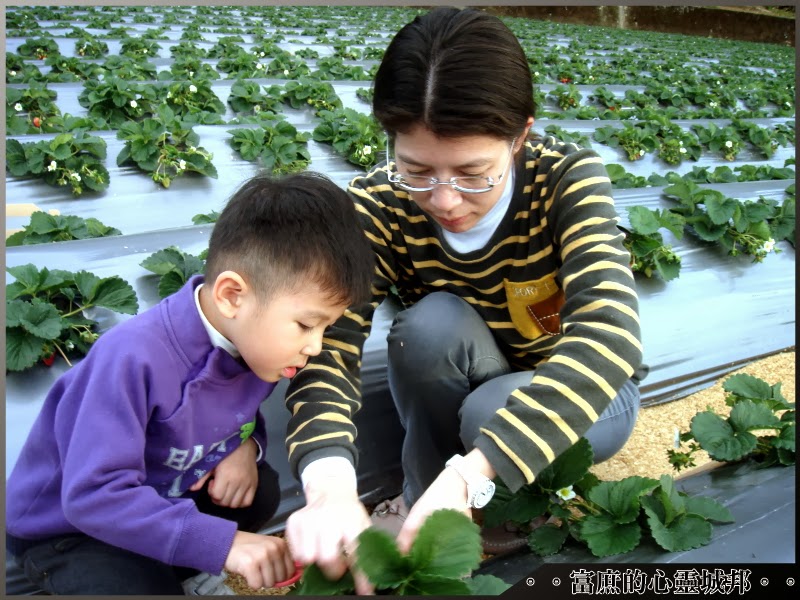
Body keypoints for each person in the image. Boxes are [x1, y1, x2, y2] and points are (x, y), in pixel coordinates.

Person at [284, 5, 648, 592]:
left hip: (590, 392)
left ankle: (501, 509)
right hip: (478, 367)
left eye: (474, 173)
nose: (445, 199)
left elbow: (610, 335)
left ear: (520, 135)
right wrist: (327, 486)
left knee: (490, 414)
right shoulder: (377, 205)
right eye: (417, 170)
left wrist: (468, 479)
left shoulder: (565, 181)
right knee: (427, 327)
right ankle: (422, 498)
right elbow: (329, 340)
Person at [5, 171, 375, 595]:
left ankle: (178, 563)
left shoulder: (253, 339)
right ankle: (167, 569)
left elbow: (232, 408)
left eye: (326, 328)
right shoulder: (131, 359)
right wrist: (226, 545)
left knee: (260, 491)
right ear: (233, 295)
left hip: (159, 489)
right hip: (72, 525)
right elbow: (93, 494)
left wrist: (242, 446)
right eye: (307, 325)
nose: (316, 346)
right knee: (129, 585)